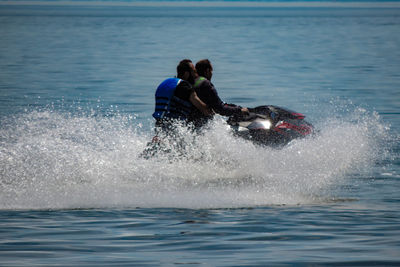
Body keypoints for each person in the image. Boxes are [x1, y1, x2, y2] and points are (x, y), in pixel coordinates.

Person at [152, 59, 211, 133]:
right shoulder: (184, 86)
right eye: (194, 72)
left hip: (159, 127)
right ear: (186, 74)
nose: (196, 75)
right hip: (175, 129)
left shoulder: (166, 83)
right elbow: (201, 107)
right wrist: (212, 114)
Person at [190, 59, 248, 127]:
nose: (212, 73)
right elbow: (220, 109)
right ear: (207, 71)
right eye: (211, 71)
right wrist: (239, 110)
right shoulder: (206, 84)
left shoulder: (192, 83)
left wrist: (235, 107)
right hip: (201, 126)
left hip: (191, 122)